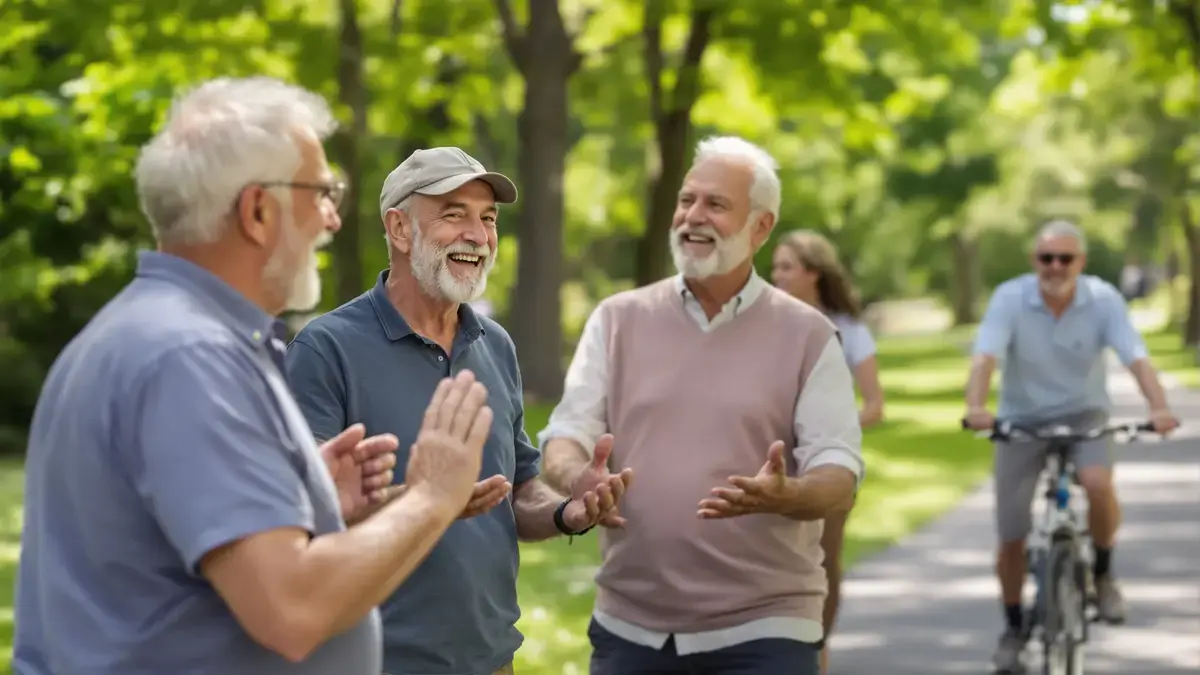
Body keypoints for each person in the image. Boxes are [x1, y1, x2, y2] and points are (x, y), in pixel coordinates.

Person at [12, 77, 496, 675]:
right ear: (259, 211)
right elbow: (292, 609)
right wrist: (431, 496)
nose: (332, 220)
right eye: (321, 194)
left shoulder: (145, 332)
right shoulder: (189, 357)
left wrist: (309, 507)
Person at [285, 146, 632, 675]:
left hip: (492, 661)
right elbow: (300, 517)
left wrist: (568, 512)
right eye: (454, 214)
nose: (478, 234)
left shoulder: (495, 345)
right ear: (400, 230)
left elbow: (518, 492)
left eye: (488, 218)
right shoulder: (325, 348)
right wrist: (426, 498)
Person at [538, 136, 865, 675]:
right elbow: (566, 432)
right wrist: (576, 475)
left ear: (761, 226)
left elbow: (840, 471)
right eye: (687, 200)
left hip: (767, 627)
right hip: (630, 624)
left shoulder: (809, 335)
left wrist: (789, 494)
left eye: (716, 204)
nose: (693, 216)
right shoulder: (617, 319)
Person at [962, 219, 1180, 673]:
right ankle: (1014, 626)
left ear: (1080, 261)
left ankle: (1102, 572)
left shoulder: (1102, 299)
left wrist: (1159, 407)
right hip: (1020, 420)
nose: (1055, 267)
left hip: (1084, 415)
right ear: (1034, 261)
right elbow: (986, 356)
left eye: (1065, 258)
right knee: (1012, 533)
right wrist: (977, 405)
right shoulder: (1010, 299)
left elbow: (1135, 356)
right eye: (1047, 258)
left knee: (1098, 483)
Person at [771, 229, 885, 674]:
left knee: (822, 564)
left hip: (827, 466)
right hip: (773, 461)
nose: (776, 276)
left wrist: (829, 428)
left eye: (786, 267)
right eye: (774, 267)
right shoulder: (766, 324)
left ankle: (817, 650)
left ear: (813, 274)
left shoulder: (850, 331)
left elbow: (875, 404)